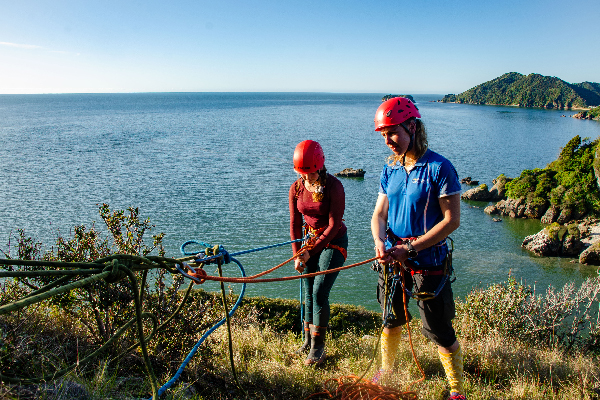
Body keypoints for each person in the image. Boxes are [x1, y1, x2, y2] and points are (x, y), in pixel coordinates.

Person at [370, 97, 465, 399]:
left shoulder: (439, 168)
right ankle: (386, 373)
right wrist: (380, 242)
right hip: (393, 260)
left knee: (438, 328)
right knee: (391, 317)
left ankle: (456, 390)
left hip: (428, 262)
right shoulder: (391, 169)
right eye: (383, 135)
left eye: (392, 132)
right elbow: (379, 215)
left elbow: (451, 221)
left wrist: (410, 249)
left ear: (412, 126)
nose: (388, 141)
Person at [289, 139, 347, 366]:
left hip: (333, 242)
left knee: (320, 291)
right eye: (302, 174)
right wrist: (297, 254)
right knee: (307, 289)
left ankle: (318, 348)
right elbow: (294, 224)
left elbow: (334, 225)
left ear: (320, 167)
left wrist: (309, 251)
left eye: (311, 174)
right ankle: (306, 342)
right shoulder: (296, 188)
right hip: (308, 242)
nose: (306, 178)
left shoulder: (334, 186)